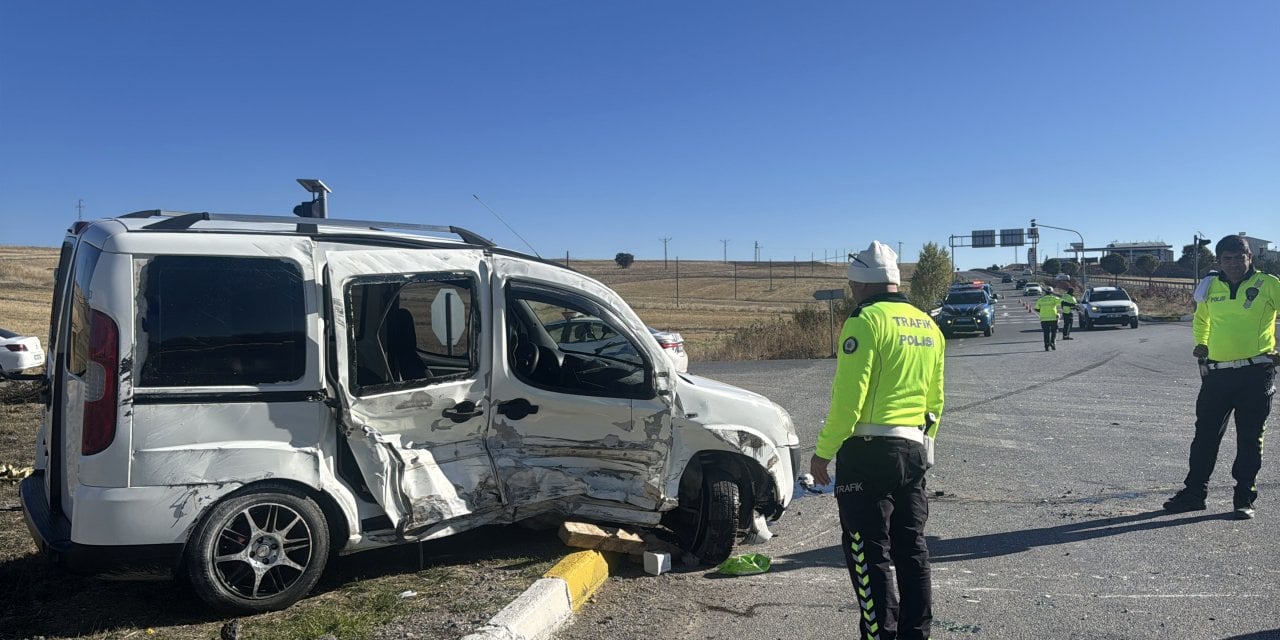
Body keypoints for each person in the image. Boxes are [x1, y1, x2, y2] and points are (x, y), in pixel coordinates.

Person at [810, 241, 945, 640]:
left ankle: (878, 635)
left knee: (868, 553)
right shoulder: (928, 325)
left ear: (860, 284)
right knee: (912, 549)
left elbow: (849, 400)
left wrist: (823, 453)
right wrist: (926, 445)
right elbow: (936, 400)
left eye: (852, 285)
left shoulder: (864, 321)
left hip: (867, 452)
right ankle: (916, 633)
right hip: (913, 448)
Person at [1164, 235, 1280, 519]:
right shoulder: (1209, 286)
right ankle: (1194, 494)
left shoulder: (1269, 284)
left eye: (1239, 258)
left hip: (1256, 373)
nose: (1233, 264)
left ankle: (1244, 497)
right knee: (1204, 436)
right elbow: (1201, 319)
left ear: (1249, 257)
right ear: (1218, 260)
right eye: (1226, 259)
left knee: (1250, 438)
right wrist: (1201, 345)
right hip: (1217, 374)